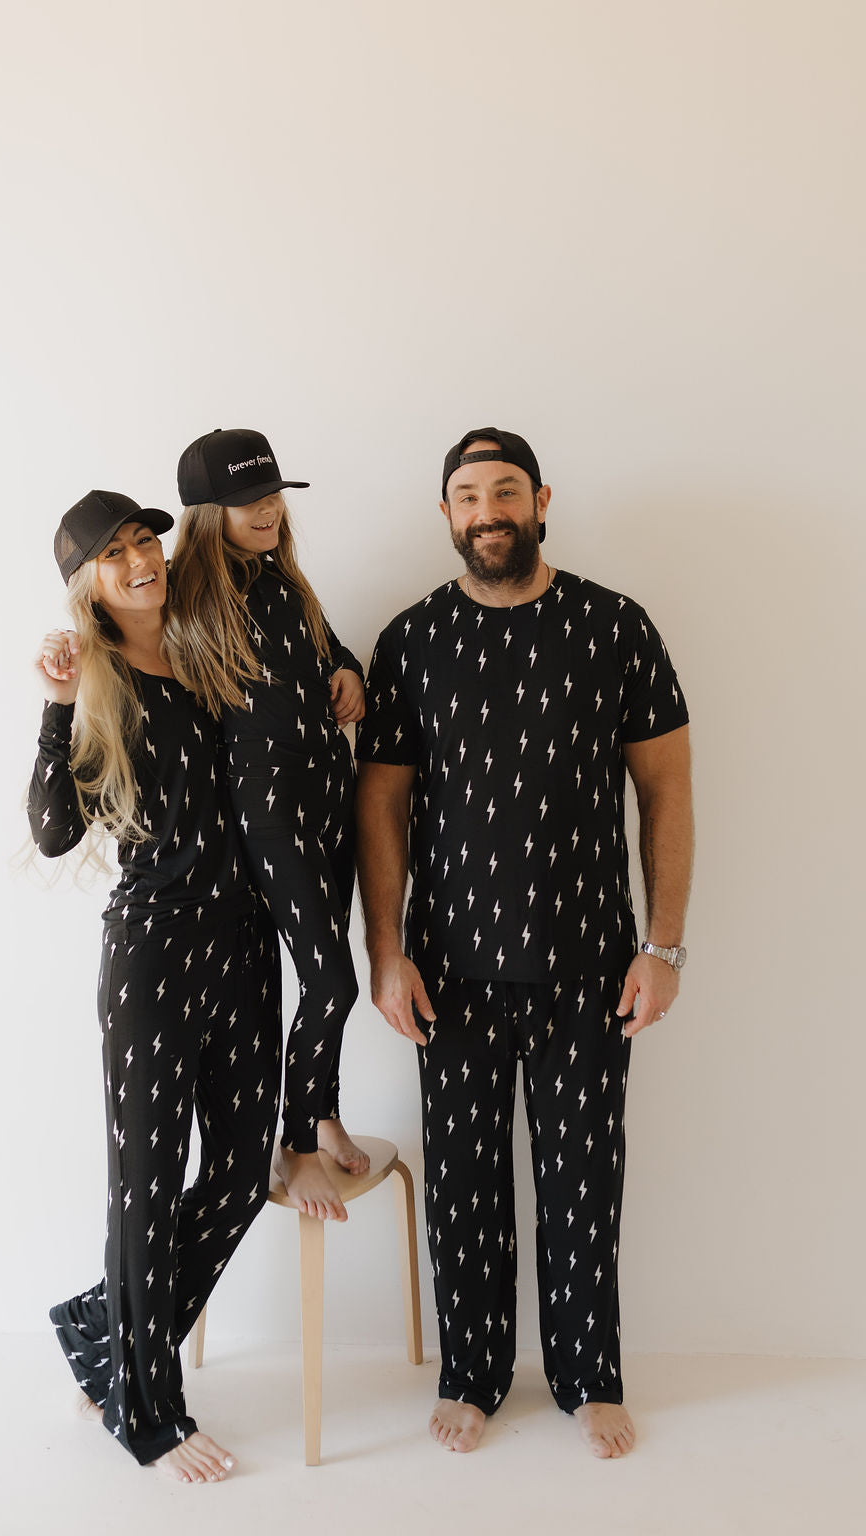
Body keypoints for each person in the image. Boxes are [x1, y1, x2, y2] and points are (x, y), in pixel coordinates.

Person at [356, 428, 693, 1460]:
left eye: (505, 490)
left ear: (540, 500)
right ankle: (473, 1374)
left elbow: (665, 790)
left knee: (584, 1177)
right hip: (449, 965)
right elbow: (382, 809)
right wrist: (385, 949)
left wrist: (663, 947)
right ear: (447, 516)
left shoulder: (614, 626)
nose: (487, 509)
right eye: (467, 495)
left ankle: (589, 1376)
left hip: (590, 961)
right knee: (462, 1184)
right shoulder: (409, 641)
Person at [28, 489, 282, 1483]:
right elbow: (55, 831)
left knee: (236, 1169)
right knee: (144, 1179)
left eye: (145, 540)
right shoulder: (91, 676)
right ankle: (146, 1408)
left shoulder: (209, 648)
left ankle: (101, 1324)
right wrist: (54, 711)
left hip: (247, 944)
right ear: (87, 582)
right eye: (114, 552)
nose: (140, 558)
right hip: (154, 953)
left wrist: (342, 677)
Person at [164, 428, 366, 1222]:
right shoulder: (185, 593)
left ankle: (320, 1108)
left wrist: (344, 665)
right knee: (331, 979)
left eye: (275, 495)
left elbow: (318, 650)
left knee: (330, 974)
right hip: (269, 816)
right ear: (209, 512)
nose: (270, 510)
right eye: (250, 501)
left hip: (329, 798)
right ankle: (298, 1145)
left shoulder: (284, 582)